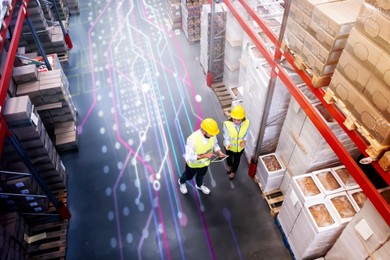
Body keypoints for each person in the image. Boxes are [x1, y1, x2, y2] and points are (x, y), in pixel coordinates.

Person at [178, 118, 226, 195]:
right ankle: (181, 182)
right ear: (204, 131)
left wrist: (219, 152)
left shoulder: (212, 135)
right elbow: (189, 156)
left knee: (201, 176)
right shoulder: (192, 139)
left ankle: (199, 186)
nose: (213, 135)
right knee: (188, 176)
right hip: (193, 165)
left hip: (204, 164)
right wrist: (204, 155)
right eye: (211, 133)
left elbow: (215, 144)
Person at [223, 105, 250, 180]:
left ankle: (233, 172)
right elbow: (226, 137)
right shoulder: (227, 124)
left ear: (242, 118)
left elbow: (247, 133)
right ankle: (229, 166)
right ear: (232, 117)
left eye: (238, 120)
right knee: (229, 158)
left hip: (240, 147)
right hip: (229, 146)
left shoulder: (247, 123)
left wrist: (244, 140)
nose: (236, 121)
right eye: (234, 119)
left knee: (237, 160)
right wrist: (228, 144)